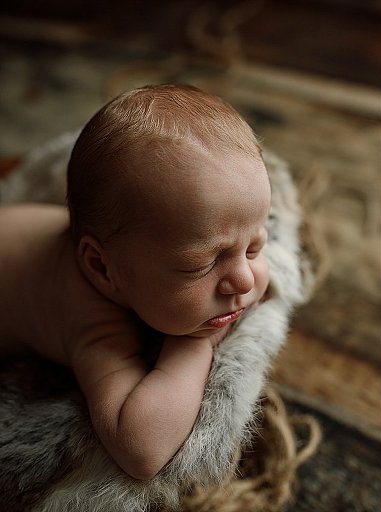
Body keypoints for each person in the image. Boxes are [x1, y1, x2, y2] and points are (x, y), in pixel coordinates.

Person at [0, 84, 271, 480]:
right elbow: (142, 450)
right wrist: (196, 344)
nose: (244, 281)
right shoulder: (90, 316)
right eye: (200, 266)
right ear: (103, 270)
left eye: (254, 248)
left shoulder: (136, 249)